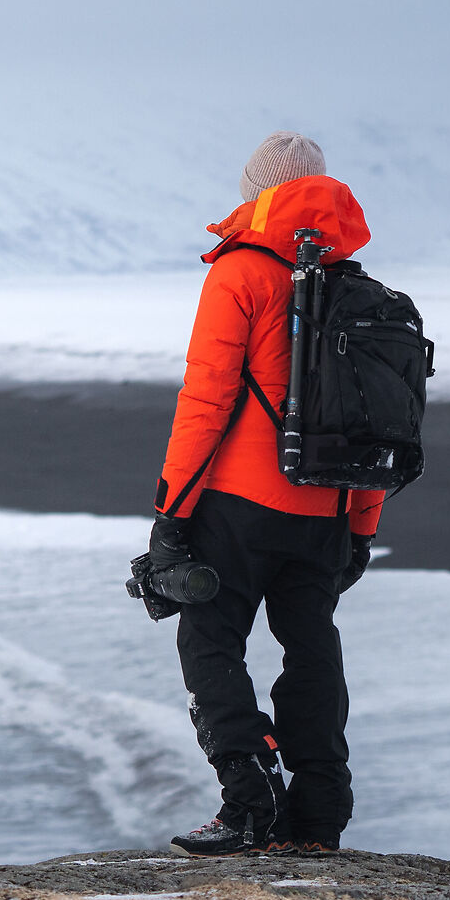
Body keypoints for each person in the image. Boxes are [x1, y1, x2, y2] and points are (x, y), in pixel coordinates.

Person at [149, 132, 384, 858]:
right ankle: (319, 815)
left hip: (239, 506)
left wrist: (171, 516)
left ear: (258, 194)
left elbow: (207, 402)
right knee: (311, 650)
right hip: (327, 510)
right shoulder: (354, 285)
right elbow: (375, 422)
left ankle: (250, 800)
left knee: (210, 639)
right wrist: (361, 527)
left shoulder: (241, 271)